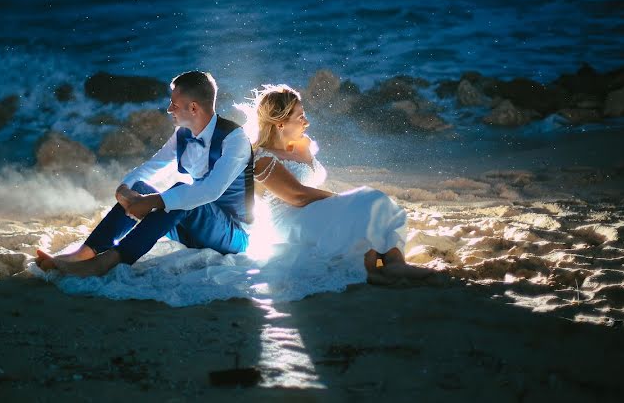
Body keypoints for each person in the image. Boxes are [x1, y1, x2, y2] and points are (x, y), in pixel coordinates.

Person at [36, 70, 254, 277]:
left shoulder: (234, 139)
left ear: (194, 108)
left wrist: (153, 201)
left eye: (174, 104)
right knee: (139, 188)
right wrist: (125, 188)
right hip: (193, 228)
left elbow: (210, 191)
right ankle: (85, 253)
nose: (169, 109)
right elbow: (153, 166)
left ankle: (109, 261)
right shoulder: (183, 134)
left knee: (178, 192)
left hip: (233, 235)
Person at [248, 84, 433, 283]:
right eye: (300, 117)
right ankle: (371, 269)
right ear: (280, 124)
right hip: (291, 221)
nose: (306, 122)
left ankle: (395, 262)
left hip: (314, 210)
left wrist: (341, 202)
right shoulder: (263, 158)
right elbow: (297, 196)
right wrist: (339, 200)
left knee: (377, 201)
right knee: (363, 202)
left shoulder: (301, 145)